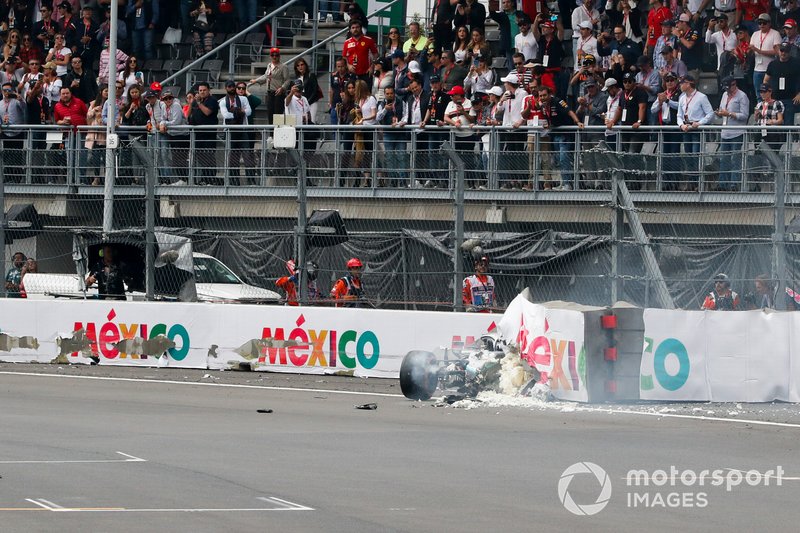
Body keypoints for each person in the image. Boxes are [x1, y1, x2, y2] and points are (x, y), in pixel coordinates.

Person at [676, 75, 715, 191]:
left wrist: (700, 123)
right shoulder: (682, 98)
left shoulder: (702, 97)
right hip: (686, 129)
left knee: (696, 155)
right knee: (688, 156)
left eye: (682, 83)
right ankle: (692, 182)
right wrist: (681, 125)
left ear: (688, 84)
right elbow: (679, 115)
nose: (680, 85)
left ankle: (698, 182)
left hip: (697, 130)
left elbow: (710, 113)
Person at [715, 76, 750, 191]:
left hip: (737, 132)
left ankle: (735, 183)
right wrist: (720, 113)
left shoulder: (742, 96)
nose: (727, 90)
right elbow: (722, 109)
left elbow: (745, 115)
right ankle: (722, 183)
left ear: (734, 85)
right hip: (725, 132)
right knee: (724, 158)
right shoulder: (725, 95)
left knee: (735, 158)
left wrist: (730, 114)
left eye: (728, 87)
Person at [220, 78, 253, 183]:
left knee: (247, 156)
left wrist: (237, 112)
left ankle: (251, 180)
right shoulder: (222, 101)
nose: (231, 88)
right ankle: (234, 181)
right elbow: (226, 115)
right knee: (232, 158)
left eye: (233, 86)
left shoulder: (243, 99)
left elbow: (249, 112)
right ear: (226, 88)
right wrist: (239, 112)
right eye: (229, 86)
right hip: (229, 132)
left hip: (242, 130)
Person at [188, 81, 220, 184]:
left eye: (204, 90)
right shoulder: (196, 101)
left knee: (208, 156)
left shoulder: (212, 100)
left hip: (208, 134)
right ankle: (203, 179)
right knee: (200, 157)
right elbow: (188, 114)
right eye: (200, 90)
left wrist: (198, 103)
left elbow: (207, 112)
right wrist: (191, 102)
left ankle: (210, 178)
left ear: (208, 90)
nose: (202, 92)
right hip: (198, 134)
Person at [249, 47, 291, 124]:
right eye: (272, 55)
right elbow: (266, 76)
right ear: (270, 56)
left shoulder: (283, 67)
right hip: (269, 93)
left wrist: (282, 88)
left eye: (276, 55)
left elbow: (287, 80)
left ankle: (277, 133)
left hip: (278, 93)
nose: (274, 57)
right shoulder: (269, 65)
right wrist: (256, 80)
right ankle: (271, 133)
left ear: (279, 56)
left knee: (278, 114)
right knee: (270, 114)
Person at [750, 12, 781, 98]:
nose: (762, 25)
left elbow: (777, 52)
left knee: (771, 94)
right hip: (757, 69)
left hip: (770, 70)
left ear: (769, 23)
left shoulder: (775, 34)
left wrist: (759, 51)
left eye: (764, 23)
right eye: (760, 23)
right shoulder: (755, 34)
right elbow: (752, 50)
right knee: (759, 95)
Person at [342, 19, 377, 84]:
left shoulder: (369, 40)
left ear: (361, 28)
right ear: (350, 30)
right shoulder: (347, 42)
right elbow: (344, 56)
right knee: (353, 93)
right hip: (353, 73)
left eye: (357, 27)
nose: (355, 29)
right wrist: (348, 65)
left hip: (366, 72)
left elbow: (375, 54)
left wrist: (372, 66)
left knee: (366, 93)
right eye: (353, 28)